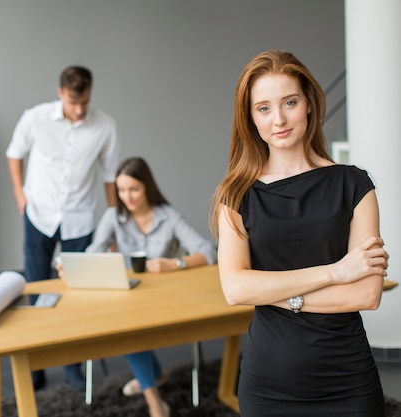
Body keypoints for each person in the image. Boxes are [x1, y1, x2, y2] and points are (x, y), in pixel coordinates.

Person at [211, 50, 389, 416]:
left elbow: (367, 293)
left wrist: (271, 291)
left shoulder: (353, 185)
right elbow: (235, 290)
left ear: (308, 103)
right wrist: (335, 273)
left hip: (348, 379)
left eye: (289, 102)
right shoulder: (236, 194)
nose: (278, 119)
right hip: (269, 383)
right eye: (263, 108)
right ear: (250, 118)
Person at [61, 156, 216, 417]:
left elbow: (208, 251)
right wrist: (73, 267)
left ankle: (153, 379)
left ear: (147, 187)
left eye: (134, 189)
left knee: (129, 330)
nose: (127, 197)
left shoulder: (168, 216)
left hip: (166, 300)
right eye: (121, 190)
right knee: (128, 328)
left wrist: (174, 264)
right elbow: (93, 252)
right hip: (129, 301)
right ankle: (154, 399)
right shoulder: (113, 216)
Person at [6, 65, 120, 390]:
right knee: (36, 286)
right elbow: (14, 153)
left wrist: (112, 225)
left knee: (75, 291)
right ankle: (36, 365)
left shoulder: (106, 127)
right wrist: (20, 194)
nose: (80, 109)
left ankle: (73, 366)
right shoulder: (35, 118)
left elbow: (111, 176)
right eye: (73, 102)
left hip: (79, 217)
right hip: (38, 213)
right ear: (60, 93)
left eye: (84, 101)